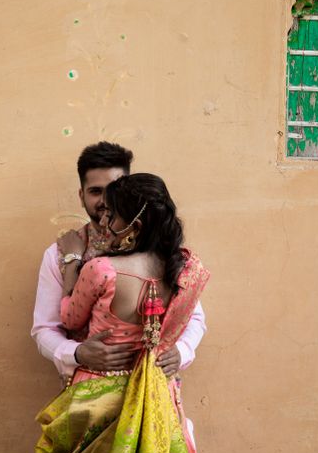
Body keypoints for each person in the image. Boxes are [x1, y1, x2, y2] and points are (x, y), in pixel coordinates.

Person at [28, 173, 227, 453]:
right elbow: (188, 319)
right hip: (159, 398)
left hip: (98, 398)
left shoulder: (100, 269)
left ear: (134, 222)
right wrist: (168, 350)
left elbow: (70, 319)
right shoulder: (185, 269)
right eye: (98, 200)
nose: (106, 220)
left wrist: (73, 269)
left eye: (113, 213)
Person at [31, 142, 206, 384]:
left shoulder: (167, 255)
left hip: (154, 394)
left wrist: (182, 352)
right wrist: (78, 353)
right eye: (95, 191)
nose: (104, 201)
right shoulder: (59, 253)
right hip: (92, 398)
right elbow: (45, 328)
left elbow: (193, 316)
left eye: (112, 190)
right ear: (81, 196)